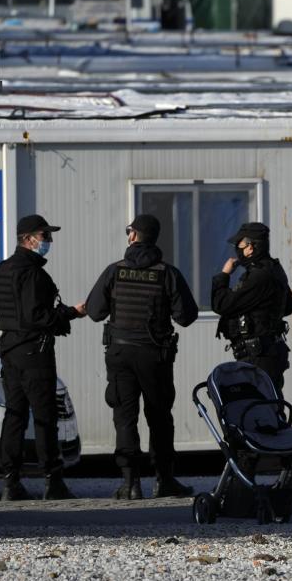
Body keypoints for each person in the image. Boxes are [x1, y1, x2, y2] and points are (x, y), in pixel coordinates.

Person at [85, 214, 199, 499]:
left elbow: (95, 311)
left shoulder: (115, 271)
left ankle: (130, 483)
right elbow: (186, 316)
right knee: (159, 418)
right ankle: (164, 480)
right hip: (154, 357)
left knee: (124, 417)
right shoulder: (167, 273)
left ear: (134, 236)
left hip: (120, 354)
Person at [0, 215, 85, 501]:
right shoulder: (32, 273)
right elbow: (36, 317)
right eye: (45, 236)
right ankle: (53, 481)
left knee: (15, 415)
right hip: (35, 351)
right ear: (29, 238)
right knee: (45, 417)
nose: (49, 241)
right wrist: (71, 312)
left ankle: (10, 482)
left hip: (10, 349)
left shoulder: (3, 269)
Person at [211, 222, 292, 400]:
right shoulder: (273, 269)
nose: (237, 250)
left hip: (258, 356)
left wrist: (224, 275)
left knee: (260, 409)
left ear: (250, 247)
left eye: (239, 245)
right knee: (268, 406)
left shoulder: (259, 276)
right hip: (268, 351)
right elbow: (288, 306)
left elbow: (221, 304)